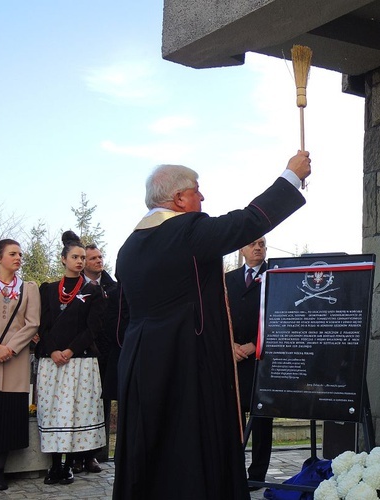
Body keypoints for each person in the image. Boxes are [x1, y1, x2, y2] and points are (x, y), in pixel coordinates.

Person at [113, 150, 311, 500]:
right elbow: (246, 223)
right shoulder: (185, 230)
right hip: (184, 359)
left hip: (141, 362)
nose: (202, 197)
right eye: (196, 190)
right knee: (189, 445)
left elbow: (123, 316)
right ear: (178, 198)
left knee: (151, 445)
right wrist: (290, 177)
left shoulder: (128, 247)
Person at [36, 231, 106, 486]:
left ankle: (69, 464)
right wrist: (53, 350)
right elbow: (41, 325)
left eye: (82, 257)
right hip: (51, 361)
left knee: (75, 411)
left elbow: (93, 328)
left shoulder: (93, 292)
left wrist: (70, 350)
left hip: (80, 361)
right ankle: (54, 464)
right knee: (53, 412)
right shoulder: (48, 290)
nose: (79, 261)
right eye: (74, 257)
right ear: (63, 259)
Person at [0, 239, 41, 492]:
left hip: (15, 361)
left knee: (6, 418)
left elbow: (32, 323)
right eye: (13, 253)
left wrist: (9, 348)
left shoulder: (28, 288)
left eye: (20, 253)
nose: (19, 257)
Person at [226, 236, 273, 490]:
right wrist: (229, 345)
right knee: (234, 417)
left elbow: (277, 314)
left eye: (262, 244)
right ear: (242, 248)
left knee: (262, 419)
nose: (258, 248)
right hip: (233, 359)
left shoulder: (274, 276)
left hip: (260, 359)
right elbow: (220, 315)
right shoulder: (227, 279)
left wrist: (256, 344)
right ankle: (233, 470)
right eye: (253, 244)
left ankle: (257, 475)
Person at [77, 243, 123, 471]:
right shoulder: (73, 288)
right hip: (80, 354)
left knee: (102, 403)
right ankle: (76, 455)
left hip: (108, 353)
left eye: (100, 257)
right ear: (83, 262)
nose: (98, 261)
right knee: (82, 404)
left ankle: (96, 454)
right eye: (93, 258)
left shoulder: (113, 288)